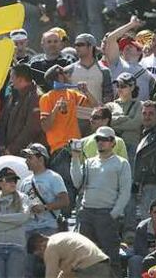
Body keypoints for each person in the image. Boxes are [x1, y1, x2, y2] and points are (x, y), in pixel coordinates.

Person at [71, 126, 132, 275]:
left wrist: (113, 214)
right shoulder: (88, 162)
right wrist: (75, 157)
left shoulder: (121, 163)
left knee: (112, 258)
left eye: (105, 139)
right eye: (98, 139)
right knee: (84, 258)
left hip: (106, 214)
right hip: (87, 213)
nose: (101, 142)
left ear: (113, 143)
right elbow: (77, 182)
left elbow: (125, 192)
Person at [40, 64, 98, 207]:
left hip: (76, 147)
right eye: (64, 73)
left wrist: (86, 91)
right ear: (58, 76)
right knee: (66, 186)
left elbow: (95, 106)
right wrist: (55, 109)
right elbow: (46, 126)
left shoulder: (71, 94)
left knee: (79, 184)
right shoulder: (46, 98)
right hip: (59, 149)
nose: (68, 75)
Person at [0, 167, 31, 278]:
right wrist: (15, 222)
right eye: (8, 180)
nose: (13, 183)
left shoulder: (23, 198)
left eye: (15, 180)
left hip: (17, 247)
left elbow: (24, 216)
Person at [19, 143, 69, 236]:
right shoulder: (25, 181)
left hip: (48, 228)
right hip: (28, 229)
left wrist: (44, 207)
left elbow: (65, 201)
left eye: (30, 158)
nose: (26, 161)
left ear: (41, 159)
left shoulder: (53, 177)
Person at [103, 16, 155, 101]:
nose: (126, 46)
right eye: (123, 46)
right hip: (119, 111)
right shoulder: (117, 63)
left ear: (139, 51)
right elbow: (111, 38)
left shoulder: (148, 74)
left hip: (139, 111)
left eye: (131, 45)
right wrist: (131, 24)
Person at [0, 64, 45, 156]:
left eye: (12, 77)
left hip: (26, 154)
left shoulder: (37, 97)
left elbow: (32, 128)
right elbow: (4, 120)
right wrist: (2, 145)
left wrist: (12, 149)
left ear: (21, 79)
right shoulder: (13, 94)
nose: (10, 81)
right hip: (8, 150)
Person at [31, 231, 114, 278]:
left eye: (40, 255)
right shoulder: (61, 237)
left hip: (89, 268)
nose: (42, 258)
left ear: (40, 246)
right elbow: (66, 272)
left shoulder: (50, 247)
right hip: (102, 263)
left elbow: (51, 276)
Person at [65, 34, 114, 106]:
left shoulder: (104, 71)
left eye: (80, 45)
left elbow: (108, 98)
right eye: (75, 45)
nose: (76, 47)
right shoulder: (69, 70)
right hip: (74, 116)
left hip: (96, 115)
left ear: (91, 47)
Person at [107, 72, 143, 166]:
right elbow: (106, 123)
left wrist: (115, 121)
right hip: (112, 145)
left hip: (131, 145)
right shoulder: (110, 105)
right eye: (117, 85)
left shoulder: (140, 105)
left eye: (123, 86)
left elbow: (134, 124)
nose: (119, 89)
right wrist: (125, 118)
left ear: (132, 87)